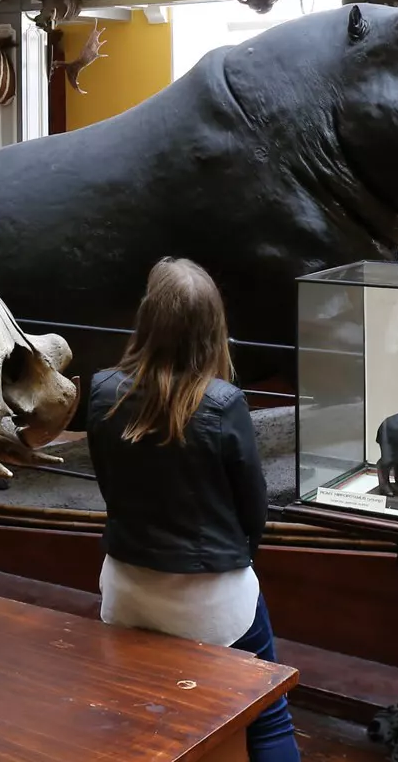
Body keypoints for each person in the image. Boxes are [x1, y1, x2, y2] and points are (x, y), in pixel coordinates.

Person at [88, 258, 299, 762]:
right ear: (213, 326)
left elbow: (109, 487)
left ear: (147, 317)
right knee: (267, 718)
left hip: (129, 589)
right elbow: (254, 512)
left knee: (141, 716)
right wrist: (231, 559)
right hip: (213, 601)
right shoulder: (224, 403)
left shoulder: (100, 390)